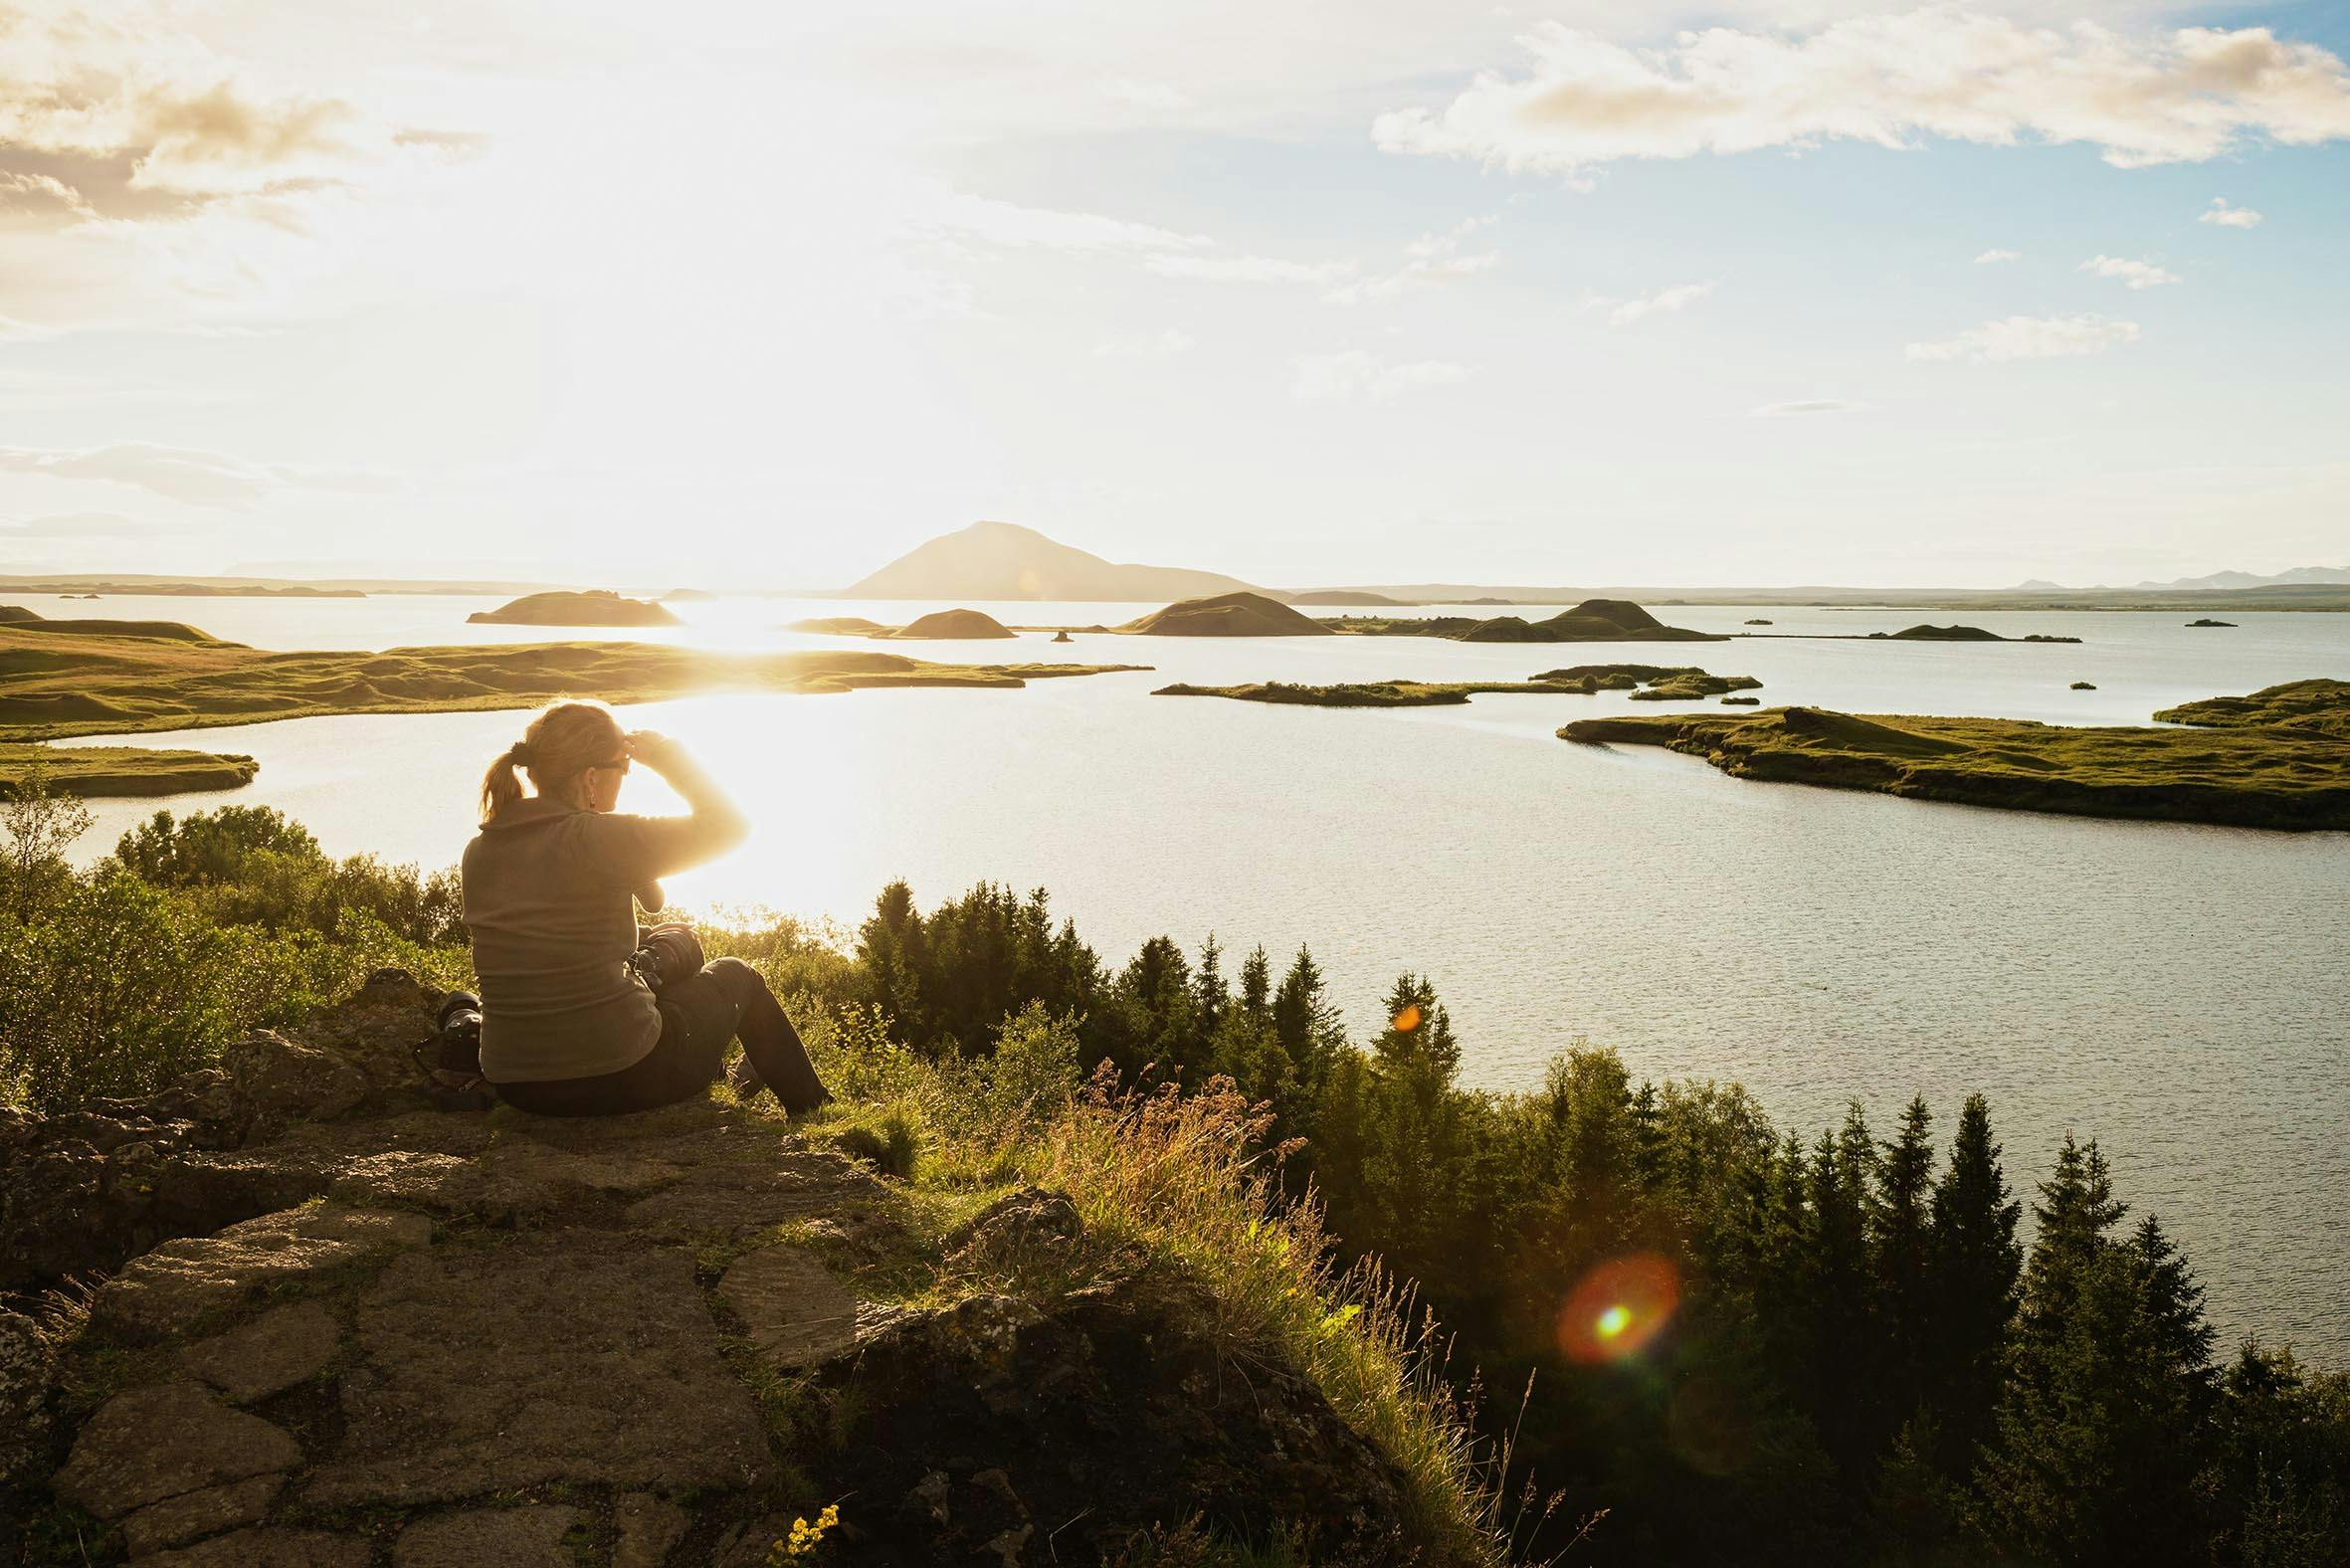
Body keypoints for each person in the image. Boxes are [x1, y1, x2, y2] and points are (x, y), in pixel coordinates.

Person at [460, 700, 829, 1116]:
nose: (626, 776)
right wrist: (667, 757)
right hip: (622, 1075)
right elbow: (732, 825)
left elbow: (650, 902)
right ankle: (813, 1109)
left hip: (518, 1085)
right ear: (591, 777)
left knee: (663, 939)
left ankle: (708, 1065)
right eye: (624, 766)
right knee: (737, 975)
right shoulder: (596, 837)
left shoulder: (481, 849)